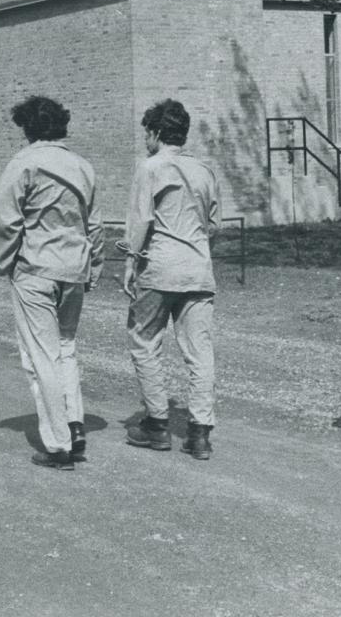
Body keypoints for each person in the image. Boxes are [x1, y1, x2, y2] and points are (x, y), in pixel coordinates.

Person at [0, 95, 103, 471]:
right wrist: (93, 267)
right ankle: (75, 425)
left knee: (40, 356)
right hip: (74, 268)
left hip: (36, 269)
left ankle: (58, 443)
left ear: (28, 129)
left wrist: (3, 261)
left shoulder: (24, 163)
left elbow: (4, 220)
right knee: (66, 348)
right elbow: (93, 224)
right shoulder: (83, 166)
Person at [121, 99, 222, 460]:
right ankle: (200, 433)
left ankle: (158, 423)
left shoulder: (150, 168)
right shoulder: (205, 171)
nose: (146, 139)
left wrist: (130, 264)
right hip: (199, 268)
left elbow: (139, 222)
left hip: (160, 266)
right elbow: (213, 223)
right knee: (199, 350)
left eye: (147, 132)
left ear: (157, 133)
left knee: (145, 339)